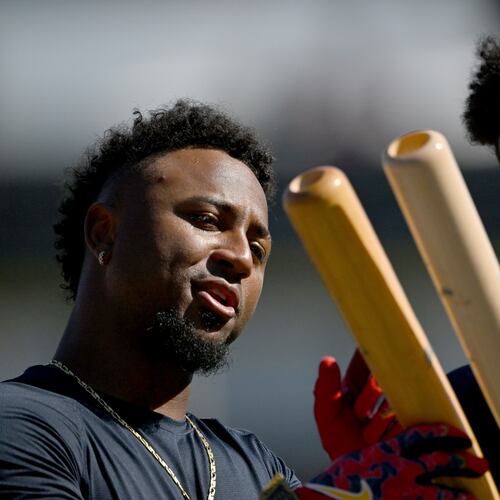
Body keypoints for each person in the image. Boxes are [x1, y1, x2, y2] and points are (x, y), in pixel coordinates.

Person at [0, 100, 488, 499]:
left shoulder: (253, 465)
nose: (239, 257)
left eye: (259, 248)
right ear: (104, 233)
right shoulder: (24, 425)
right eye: (208, 221)